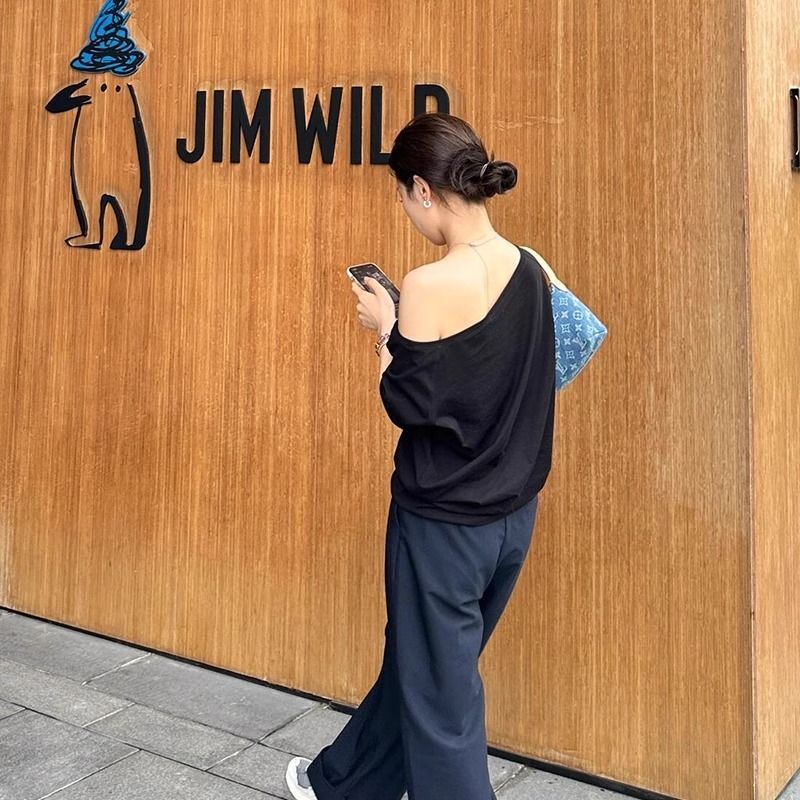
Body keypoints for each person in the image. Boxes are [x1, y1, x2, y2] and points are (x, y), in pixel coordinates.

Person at [285, 111, 556, 800]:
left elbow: (406, 402)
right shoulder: (531, 269)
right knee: (428, 662)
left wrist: (387, 328)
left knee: (442, 700)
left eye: (403, 195)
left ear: (424, 189)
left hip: (443, 523)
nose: (406, 209)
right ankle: (344, 783)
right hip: (512, 517)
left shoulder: (431, 285)